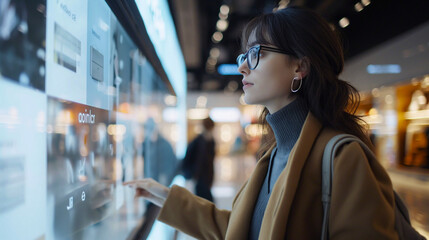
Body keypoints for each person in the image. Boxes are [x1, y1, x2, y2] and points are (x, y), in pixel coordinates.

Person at [124, 6, 398, 239]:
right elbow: (244, 230)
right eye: (245, 55)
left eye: (257, 53)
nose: (243, 66)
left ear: (299, 67)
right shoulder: (274, 152)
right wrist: (164, 196)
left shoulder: (343, 157)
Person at [181, 117, 216, 201]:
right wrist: (191, 174)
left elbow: (211, 162)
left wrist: (211, 178)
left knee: (206, 200)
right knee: (203, 200)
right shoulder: (196, 141)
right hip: (198, 177)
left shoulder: (211, 142)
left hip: (206, 177)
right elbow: (187, 159)